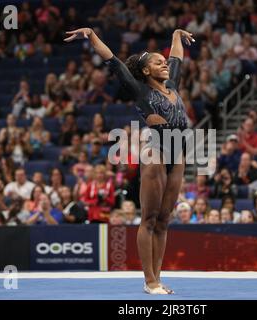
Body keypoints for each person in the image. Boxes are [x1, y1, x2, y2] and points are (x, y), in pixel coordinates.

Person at [65, 26, 195, 294]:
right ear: (146, 70)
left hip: (178, 154)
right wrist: (91, 36)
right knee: (148, 218)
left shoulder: (172, 84)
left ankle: (157, 279)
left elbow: (177, 58)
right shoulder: (139, 89)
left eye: (164, 60)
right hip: (156, 152)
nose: (164, 63)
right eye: (158, 61)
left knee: (164, 220)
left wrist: (176, 35)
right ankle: (149, 281)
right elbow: (112, 60)